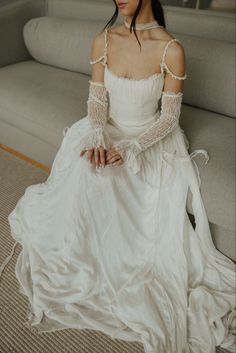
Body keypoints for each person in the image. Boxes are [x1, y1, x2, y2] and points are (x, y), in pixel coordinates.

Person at [0, 1, 235, 352]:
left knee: (116, 177)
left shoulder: (171, 49)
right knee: (85, 166)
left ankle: (121, 268)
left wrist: (131, 149)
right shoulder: (104, 40)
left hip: (148, 141)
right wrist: (98, 136)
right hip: (108, 130)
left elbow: (169, 119)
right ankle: (82, 258)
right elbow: (97, 102)